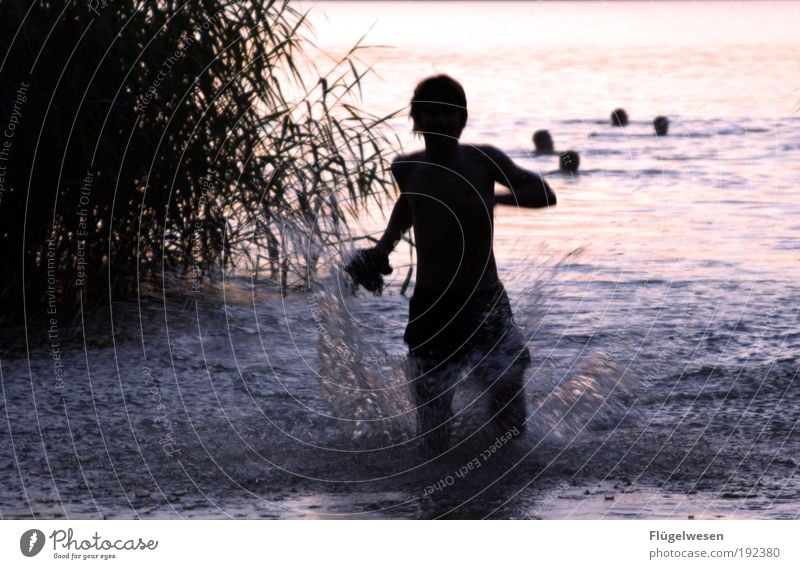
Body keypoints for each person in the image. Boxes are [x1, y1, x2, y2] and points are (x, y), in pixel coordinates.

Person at [346, 75, 556, 453]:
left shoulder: (483, 161)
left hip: (484, 301)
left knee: (508, 394)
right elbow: (409, 205)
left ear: (463, 119)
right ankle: (436, 487)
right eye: (432, 113)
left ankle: (507, 472)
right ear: (417, 119)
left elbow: (544, 192)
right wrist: (383, 249)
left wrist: (495, 201)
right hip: (432, 306)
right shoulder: (407, 169)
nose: (441, 121)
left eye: (450, 113)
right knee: (432, 415)